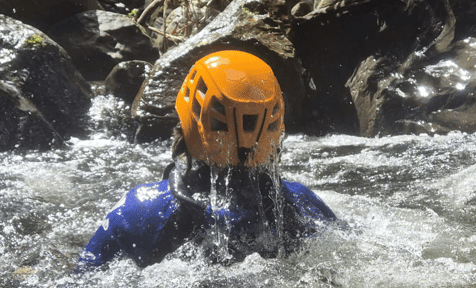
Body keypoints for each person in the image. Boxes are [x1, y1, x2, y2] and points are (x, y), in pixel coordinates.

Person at [76, 50, 337, 271]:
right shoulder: (302, 203)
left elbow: (78, 284)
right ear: (275, 126)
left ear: (188, 121)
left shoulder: (139, 209)